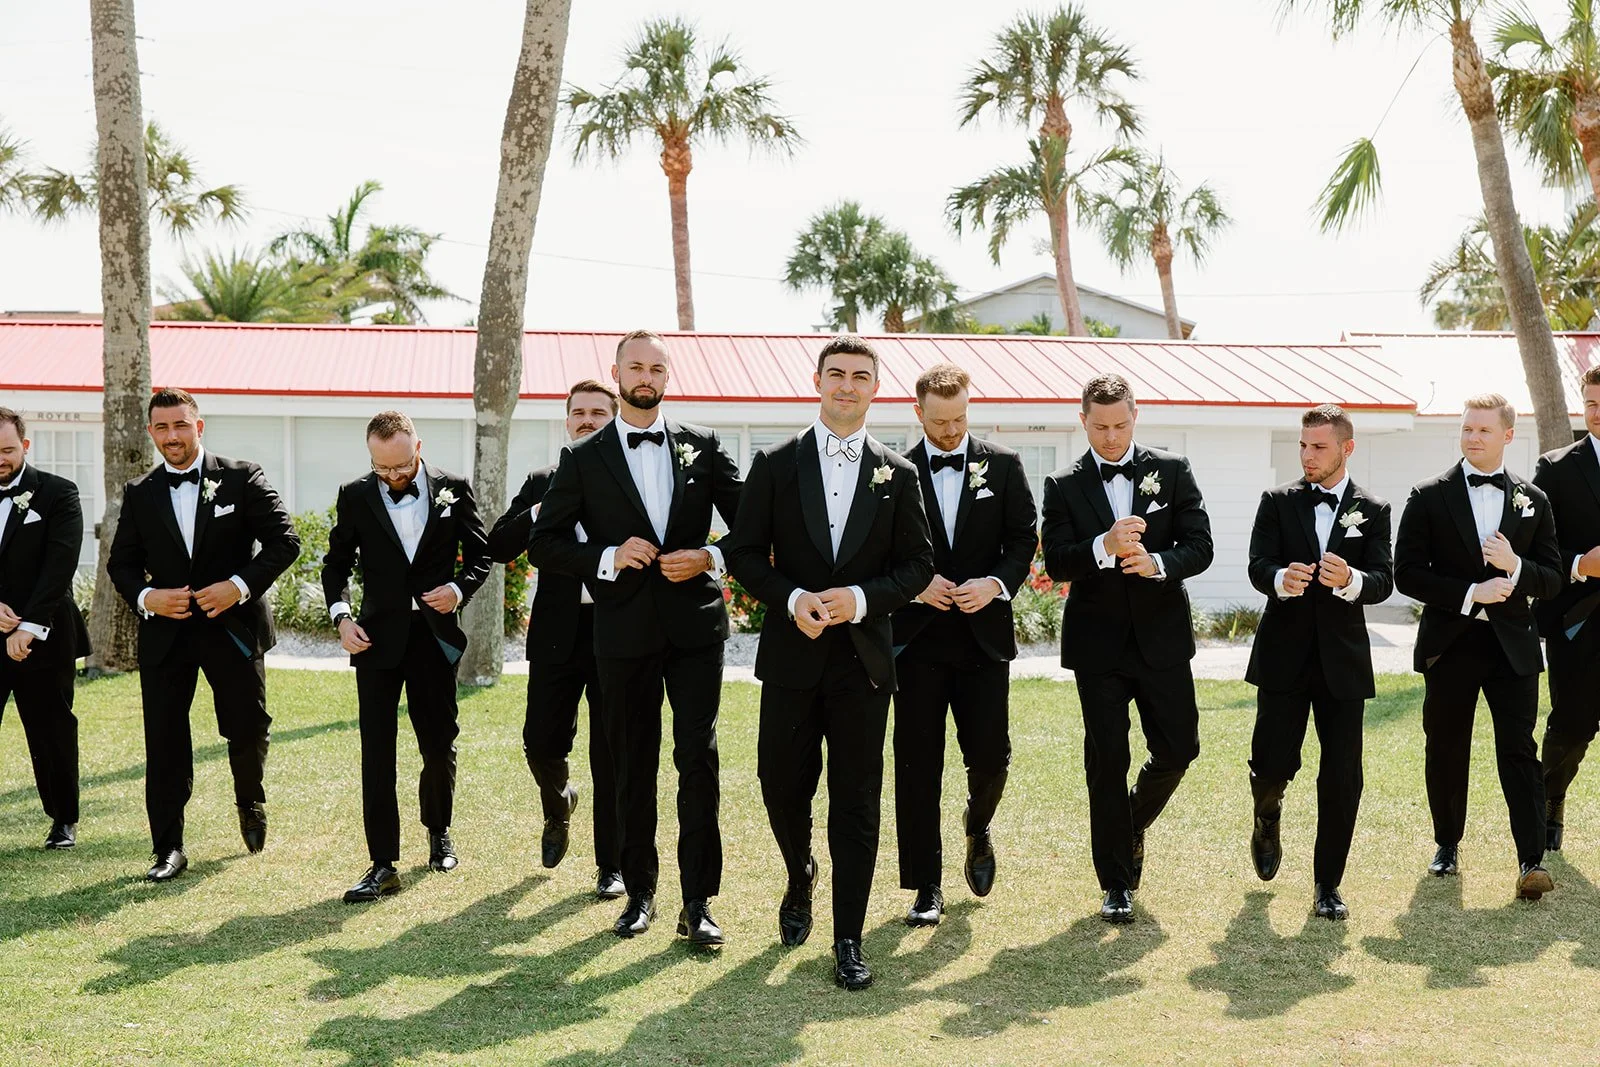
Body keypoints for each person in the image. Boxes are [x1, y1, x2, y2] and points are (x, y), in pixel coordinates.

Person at [726, 334, 934, 991]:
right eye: (837, 373)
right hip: (792, 658)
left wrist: (860, 598)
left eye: (860, 375)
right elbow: (743, 552)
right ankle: (798, 872)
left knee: (856, 803)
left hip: (864, 665)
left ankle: (847, 937)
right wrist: (790, 597)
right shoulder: (775, 463)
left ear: (876, 388)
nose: (847, 385)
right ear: (818, 380)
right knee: (780, 784)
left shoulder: (898, 474)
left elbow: (918, 566)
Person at [528, 330, 743, 945]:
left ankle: (699, 902)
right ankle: (640, 893)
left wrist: (709, 556)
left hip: (695, 630)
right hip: (620, 633)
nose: (645, 376)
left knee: (697, 757)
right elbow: (545, 543)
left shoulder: (702, 447)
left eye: (656, 367)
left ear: (667, 375)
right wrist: (606, 555)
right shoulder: (582, 459)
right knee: (631, 762)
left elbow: (753, 523)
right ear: (616, 372)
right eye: (635, 366)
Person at [1039, 372, 1213, 924]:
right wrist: (1104, 546)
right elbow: (1057, 561)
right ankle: (1115, 883)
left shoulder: (1174, 469)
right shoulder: (1063, 485)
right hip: (1098, 648)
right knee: (1106, 761)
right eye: (1099, 426)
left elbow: (1200, 545)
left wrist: (1160, 564)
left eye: (1119, 425)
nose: (1111, 437)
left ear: (1135, 417)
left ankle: (1129, 822)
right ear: (1083, 421)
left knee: (1180, 748)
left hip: (1162, 639)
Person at [107, 387, 300, 881]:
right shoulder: (139, 492)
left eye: (180, 425)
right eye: (162, 427)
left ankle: (250, 802)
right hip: (167, 635)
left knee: (248, 726)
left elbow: (285, 541)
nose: (172, 436)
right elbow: (122, 564)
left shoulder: (241, 477)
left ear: (199, 426)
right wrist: (149, 599)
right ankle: (168, 846)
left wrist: (237, 588)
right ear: (151, 432)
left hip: (232, 628)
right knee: (165, 739)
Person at [1396, 394, 1563, 899]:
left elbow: (1553, 579)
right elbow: (1406, 574)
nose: (1472, 437)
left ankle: (1531, 859)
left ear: (1507, 436)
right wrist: (1471, 594)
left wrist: (1515, 566)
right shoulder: (1428, 496)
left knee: (1518, 749)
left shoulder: (1533, 499)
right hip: (1451, 642)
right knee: (1445, 748)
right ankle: (1446, 843)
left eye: (1484, 431)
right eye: (1467, 429)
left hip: (1512, 647)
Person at [321, 410, 490, 902]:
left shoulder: (454, 488)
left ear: (419, 448)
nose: (393, 478)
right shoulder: (354, 496)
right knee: (377, 752)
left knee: (438, 745)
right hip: (376, 640)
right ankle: (382, 863)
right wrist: (341, 617)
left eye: (401, 468)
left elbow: (480, 557)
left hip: (433, 638)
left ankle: (439, 833)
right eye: (383, 470)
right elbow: (336, 566)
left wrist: (458, 590)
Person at [890, 363, 1036, 927]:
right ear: (918, 411)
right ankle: (925, 886)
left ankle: (978, 827)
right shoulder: (892, 471)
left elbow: (1024, 538)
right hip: (917, 644)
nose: (950, 431)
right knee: (917, 766)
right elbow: (880, 549)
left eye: (959, 419)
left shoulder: (1004, 464)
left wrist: (995, 584)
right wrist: (914, 585)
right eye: (939, 420)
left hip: (983, 640)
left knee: (990, 758)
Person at [1243, 404, 1393, 920]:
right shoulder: (1276, 501)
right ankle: (1267, 814)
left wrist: (1350, 581)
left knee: (1342, 777)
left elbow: (1382, 580)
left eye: (1319, 446)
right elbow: (1257, 564)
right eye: (1303, 445)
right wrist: (1280, 578)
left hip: (1343, 664)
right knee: (1270, 762)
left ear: (1346, 448)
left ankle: (1327, 885)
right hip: (1283, 656)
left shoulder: (1373, 510)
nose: (1308, 455)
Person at [487, 379, 624, 898]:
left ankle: (610, 866)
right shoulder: (543, 479)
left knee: (612, 753)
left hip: (618, 632)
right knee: (540, 741)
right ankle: (559, 802)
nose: (587, 420)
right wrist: (543, 508)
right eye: (579, 413)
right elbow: (498, 545)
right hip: (555, 634)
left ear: (614, 419)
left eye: (598, 413)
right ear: (566, 421)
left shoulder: (633, 481)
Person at [0, 406, 89, 850]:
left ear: (25, 446)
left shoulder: (58, 493)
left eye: (7, 450)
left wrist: (28, 627)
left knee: (51, 729)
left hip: (46, 634)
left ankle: (63, 821)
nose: (0, 458)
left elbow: (60, 565)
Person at [1534, 365, 1600, 852]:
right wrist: (1581, 563)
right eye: (1592, 403)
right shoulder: (1555, 468)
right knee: (1573, 723)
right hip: (1577, 620)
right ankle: (1550, 800)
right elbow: (1541, 549)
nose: (1598, 413)